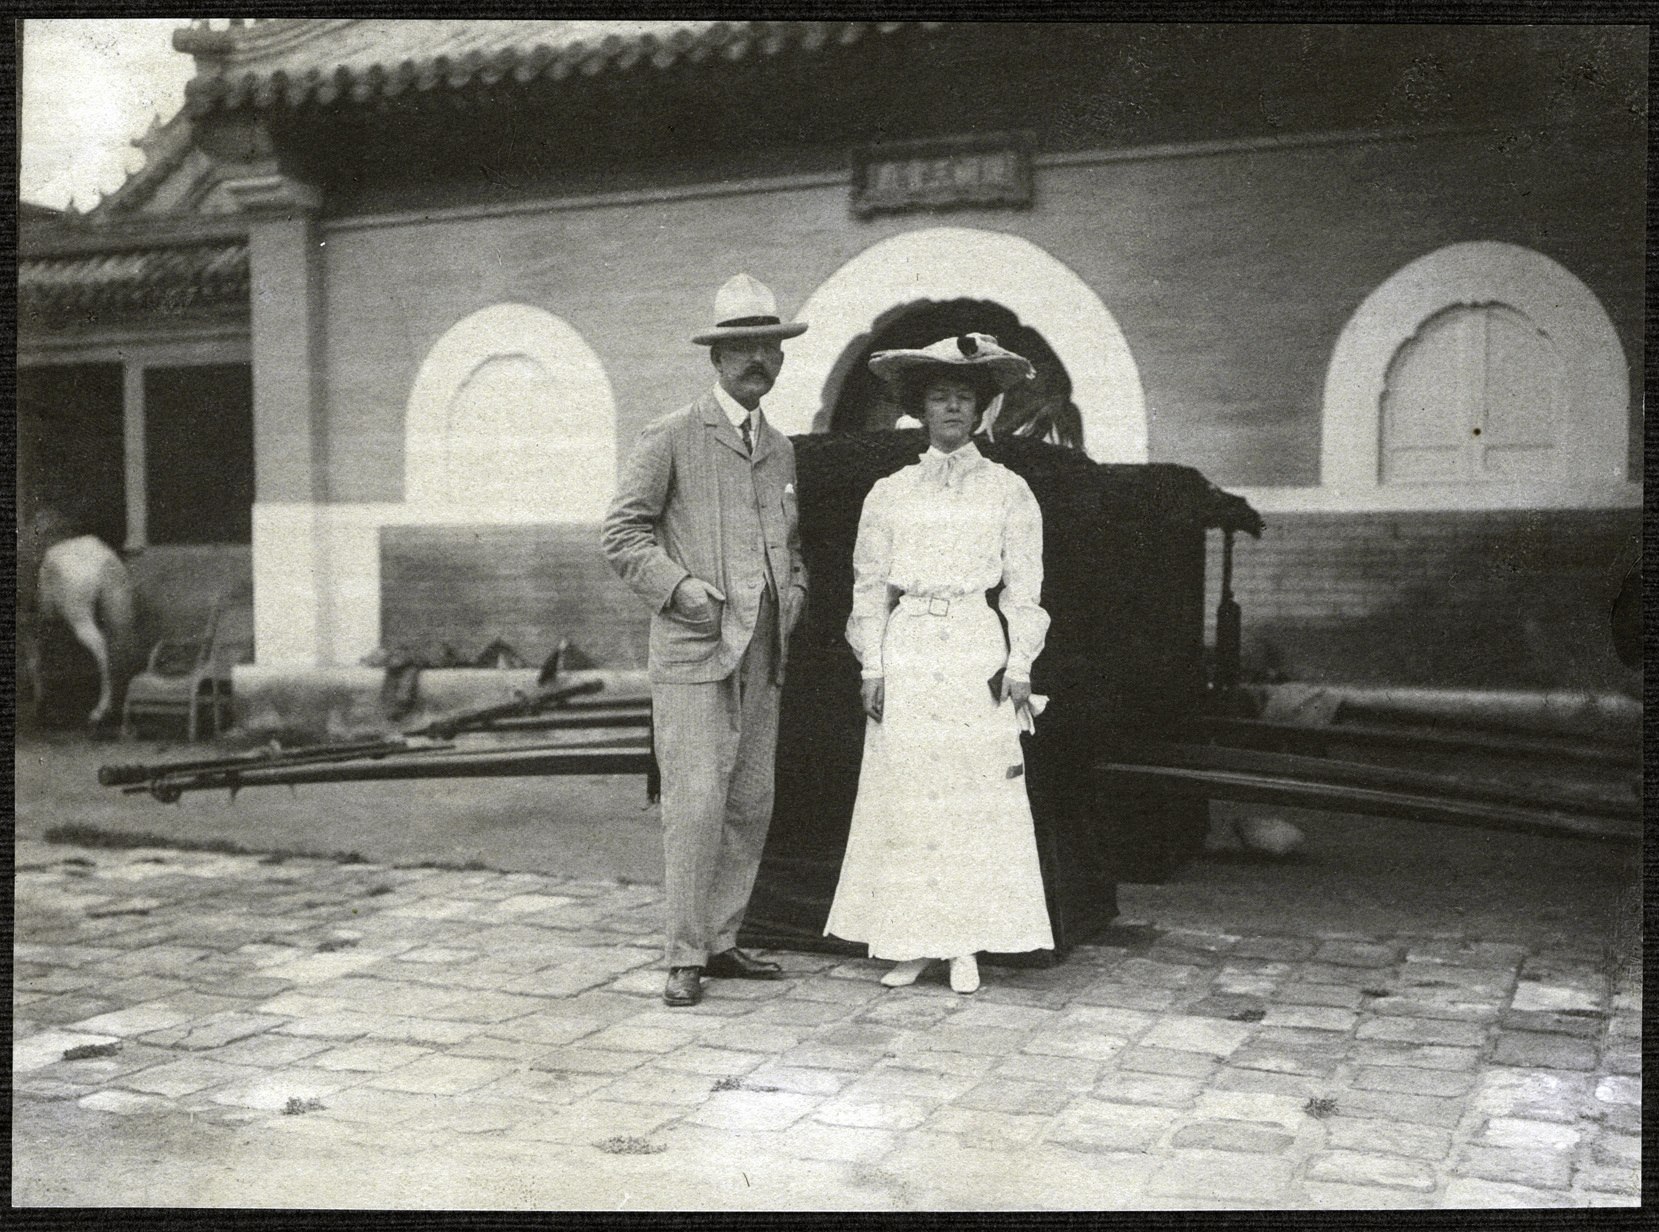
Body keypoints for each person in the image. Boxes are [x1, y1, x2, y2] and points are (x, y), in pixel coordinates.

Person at [601, 273, 810, 1008]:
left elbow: (788, 542)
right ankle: (682, 956)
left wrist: (798, 590)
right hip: (696, 651)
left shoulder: (780, 450)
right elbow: (622, 532)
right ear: (715, 358)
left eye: (769, 346)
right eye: (742, 346)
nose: (759, 358)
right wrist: (681, 590)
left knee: (750, 802)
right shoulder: (673, 435)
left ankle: (722, 942)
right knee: (695, 804)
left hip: (763, 653)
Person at [825, 333, 1056, 994]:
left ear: (980, 409)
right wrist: (872, 666)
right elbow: (868, 587)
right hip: (908, 646)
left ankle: (961, 945)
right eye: (938, 398)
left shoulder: (1009, 491)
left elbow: (1023, 591)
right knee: (908, 792)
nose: (951, 408)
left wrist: (1018, 666)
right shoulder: (890, 492)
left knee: (967, 794)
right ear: (919, 410)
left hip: (972, 646)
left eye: (963, 397)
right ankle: (910, 940)